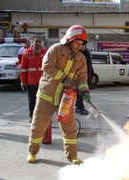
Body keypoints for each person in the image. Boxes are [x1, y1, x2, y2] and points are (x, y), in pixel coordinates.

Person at [27, 25, 91, 165]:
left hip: (65, 98)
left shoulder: (81, 59)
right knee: (38, 125)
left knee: (70, 128)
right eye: (77, 43)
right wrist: (64, 78)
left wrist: (84, 90)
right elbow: (47, 66)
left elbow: (81, 78)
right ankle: (32, 152)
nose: (79, 46)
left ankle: (72, 156)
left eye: (81, 44)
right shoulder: (56, 49)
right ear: (69, 40)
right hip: (46, 96)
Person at [20, 36, 46, 121]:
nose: (38, 43)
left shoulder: (44, 53)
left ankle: (40, 116)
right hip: (31, 81)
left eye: (39, 41)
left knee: (42, 100)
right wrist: (23, 81)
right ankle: (32, 116)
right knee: (32, 101)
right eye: (36, 41)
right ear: (32, 42)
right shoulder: (27, 53)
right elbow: (23, 68)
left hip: (42, 81)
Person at [75, 42, 94, 115]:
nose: (83, 46)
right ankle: (79, 107)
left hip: (86, 76)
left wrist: (92, 75)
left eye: (84, 45)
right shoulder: (78, 54)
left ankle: (80, 107)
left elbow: (90, 65)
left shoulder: (86, 53)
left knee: (82, 93)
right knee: (80, 93)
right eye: (81, 45)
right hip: (79, 76)